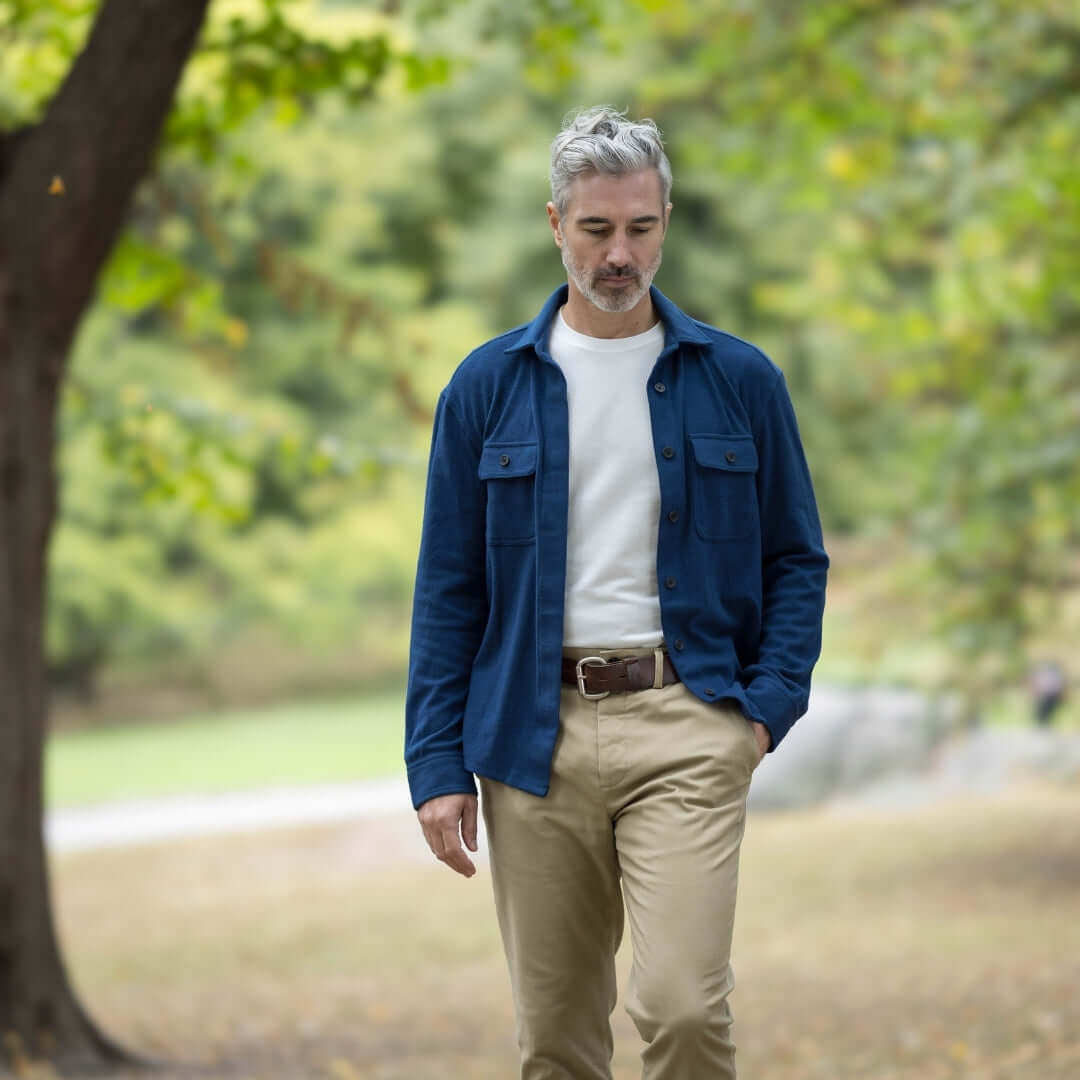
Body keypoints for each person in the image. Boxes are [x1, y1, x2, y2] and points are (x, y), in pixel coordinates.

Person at [405, 106, 829, 1080]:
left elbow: (795, 559)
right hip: (530, 733)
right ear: (554, 224)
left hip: (689, 722)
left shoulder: (738, 380)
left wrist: (762, 713)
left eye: (639, 227)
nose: (618, 253)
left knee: (680, 1010)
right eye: (595, 229)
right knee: (556, 1041)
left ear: (666, 219)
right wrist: (434, 763)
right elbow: (448, 589)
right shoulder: (486, 388)